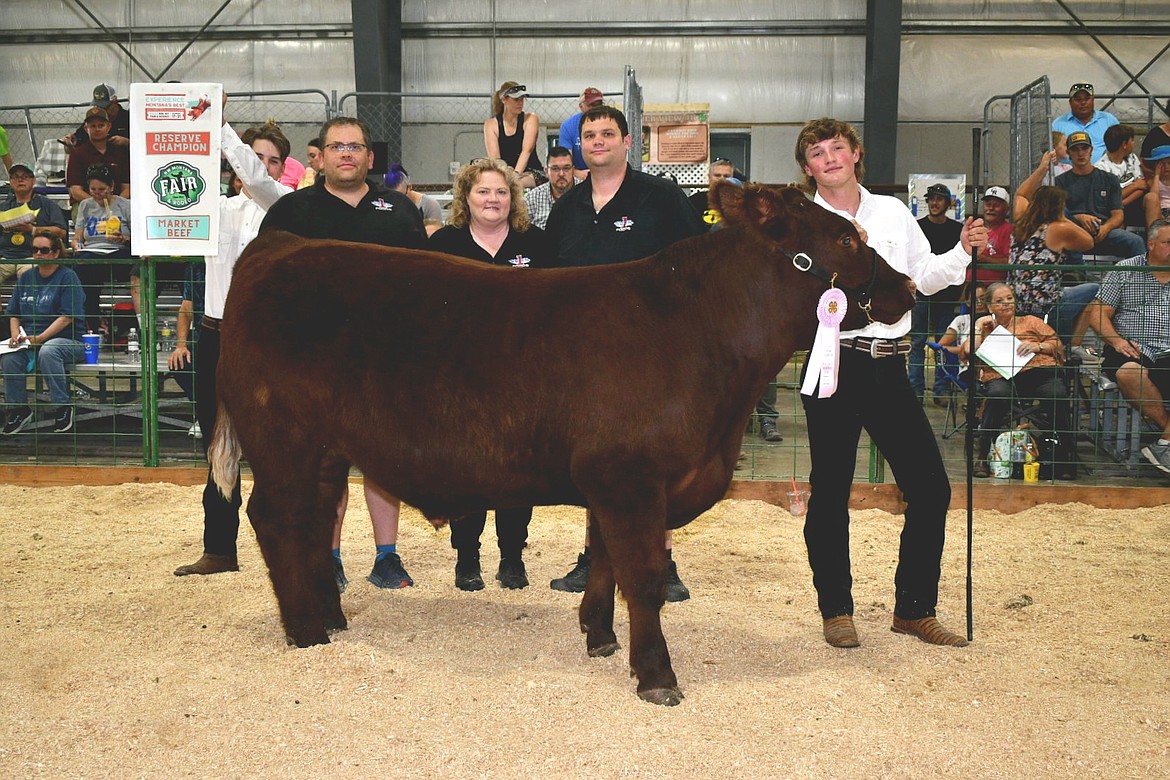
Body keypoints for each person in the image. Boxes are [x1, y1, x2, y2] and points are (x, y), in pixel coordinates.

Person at [793, 116, 987, 649]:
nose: (829, 159)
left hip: (890, 364)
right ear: (807, 167)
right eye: (817, 153)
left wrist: (964, 251)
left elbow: (923, 276)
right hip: (833, 363)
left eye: (837, 148)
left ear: (856, 154)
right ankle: (836, 610)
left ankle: (914, 608)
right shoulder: (804, 224)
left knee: (930, 488)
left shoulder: (895, 212)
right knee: (830, 489)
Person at [544, 104, 708, 602]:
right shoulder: (568, 208)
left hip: (649, 354)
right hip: (583, 359)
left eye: (607, 134)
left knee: (649, 459)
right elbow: (549, 280)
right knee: (598, 459)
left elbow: (695, 265)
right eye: (589, 135)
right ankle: (597, 556)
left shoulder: (660, 198)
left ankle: (661, 558)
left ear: (627, 141)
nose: (597, 142)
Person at [259, 115, 427, 591]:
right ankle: (328, 556)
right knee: (324, 462)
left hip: (386, 357)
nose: (347, 154)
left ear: (370, 158)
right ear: (321, 156)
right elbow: (268, 281)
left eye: (356, 146)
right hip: (315, 359)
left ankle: (387, 557)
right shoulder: (292, 212)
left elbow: (423, 280)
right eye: (337, 146)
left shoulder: (398, 210)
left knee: (382, 460)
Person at [173, 107, 295, 578]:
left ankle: (284, 544)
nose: (259, 164)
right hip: (214, 332)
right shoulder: (213, 209)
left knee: (274, 442)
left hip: (267, 341)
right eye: (253, 156)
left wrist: (218, 125)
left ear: (282, 168)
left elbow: (255, 180)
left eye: (269, 158)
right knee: (215, 439)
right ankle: (219, 549)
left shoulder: (284, 207)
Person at [429, 158, 551, 590]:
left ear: (513, 198)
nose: (492, 200)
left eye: (501, 192)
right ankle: (467, 557)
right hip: (462, 379)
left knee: (519, 468)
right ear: (466, 197)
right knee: (466, 468)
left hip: (524, 378)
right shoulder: (445, 244)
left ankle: (513, 556)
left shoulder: (536, 244)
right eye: (483, 191)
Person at [1087, 218, 1170, 474]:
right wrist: (1116, 341)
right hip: (1130, 347)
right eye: (1169, 242)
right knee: (1129, 372)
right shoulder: (1125, 269)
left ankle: (1165, 443)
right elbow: (1098, 314)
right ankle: (1166, 437)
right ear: (1151, 243)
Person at [969, 283, 1074, 479]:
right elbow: (969, 352)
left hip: (1039, 373)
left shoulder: (1031, 321)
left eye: (1009, 298)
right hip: (1002, 376)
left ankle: (1064, 457)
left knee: (1056, 393)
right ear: (989, 306)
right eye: (999, 301)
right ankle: (983, 455)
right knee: (997, 394)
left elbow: (1057, 343)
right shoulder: (985, 327)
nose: (1007, 304)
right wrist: (977, 326)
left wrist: (1037, 346)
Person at [1007, 151, 1096, 353]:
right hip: (1045, 303)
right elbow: (1088, 242)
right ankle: (1074, 346)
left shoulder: (1020, 220)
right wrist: (1063, 218)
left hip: (1017, 299)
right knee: (1097, 291)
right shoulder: (1057, 228)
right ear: (1058, 207)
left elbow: (1021, 194)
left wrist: (1042, 168)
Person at [1, 231, 85, 436]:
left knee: (49, 350)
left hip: (68, 339)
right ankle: (18, 409)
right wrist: (15, 336)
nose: (38, 254)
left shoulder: (68, 276)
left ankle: (62, 406)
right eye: (34, 250)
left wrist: (40, 338)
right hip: (29, 339)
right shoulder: (27, 276)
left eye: (44, 250)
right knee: (9, 355)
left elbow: (68, 316)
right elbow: (13, 313)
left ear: (56, 253)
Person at [910, 182, 964, 403]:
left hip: (948, 295)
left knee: (944, 344)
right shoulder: (916, 227)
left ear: (948, 203)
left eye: (939, 199)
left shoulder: (957, 230)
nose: (934, 202)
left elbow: (963, 262)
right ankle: (915, 390)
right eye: (931, 198)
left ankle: (941, 389)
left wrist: (962, 291)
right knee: (916, 343)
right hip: (920, 295)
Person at [1055, 131, 1146, 260]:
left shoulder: (1109, 179)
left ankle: (1139, 279)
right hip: (1073, 232)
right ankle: (1076, 278)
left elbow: (1118, 215)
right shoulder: (1059, 182)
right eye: (1075, 149)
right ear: (1069, 153)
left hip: (1103, 231)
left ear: (1091, 150)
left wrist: (1106, 228)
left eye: (1084, 148)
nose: (1080, 153)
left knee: (1135, 241)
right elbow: (1057, 216)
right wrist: (1080, 217)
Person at [71, 163, 132, 333]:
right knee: (82, 269)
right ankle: (92, 322)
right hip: (92, 252)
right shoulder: (85, 205)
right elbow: (78, 236)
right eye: (93, 190)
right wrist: (76, 244)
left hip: (118, 251)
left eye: (102, 189)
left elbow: (137, 238)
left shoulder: (125, 205)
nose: (97, 194)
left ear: (111, 187)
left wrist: (123, 239)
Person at [1, 162, 68, 285]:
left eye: (25, 176)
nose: (20, 180)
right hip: (5, 257)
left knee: (28, 276)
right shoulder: (4, 207)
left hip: (34, 257)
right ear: (10, 182)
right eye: (15, 177)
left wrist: (32, 230)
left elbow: (61, 232)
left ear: (33, 181)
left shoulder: (47, 205)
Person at [65, 107, 131, 204]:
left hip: (117, 205)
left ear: (109, 126)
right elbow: (75, 191)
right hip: (85, 204)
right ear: (86, 129)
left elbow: (127, 188)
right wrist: (98, 204)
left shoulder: (120, 153)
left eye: (101, 125)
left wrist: (115, 204)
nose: (97, 129)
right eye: (93, 126)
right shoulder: (77, 154)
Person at [484, 81, 542, 188]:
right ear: (503, 99)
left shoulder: (530, 118)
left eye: (522, 99)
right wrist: (505, 177)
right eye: (516, 99)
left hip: (531, 172)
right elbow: (495, 159)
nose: (520, 103)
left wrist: (515, 175)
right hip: (504, 173)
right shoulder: (491, 124)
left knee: (517, 184)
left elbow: (527, 150)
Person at [1052, 82, 1118, 166]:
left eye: (1087, 98)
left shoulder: (1109, 120)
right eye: (1078, 99)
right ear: (1070, 102)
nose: (1083, 102)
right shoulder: (1058, 124)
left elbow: (1120, 149)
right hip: (1069, 175)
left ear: (1093, 100)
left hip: (1107, 173)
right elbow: (1050, 153)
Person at [1095, 124, 1147, 229]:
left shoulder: (1132, 158)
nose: (1134, 143)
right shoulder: (1101, 168)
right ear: (1124, 144)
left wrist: (1121, 203)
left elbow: (1143, 185)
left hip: (1134, 203)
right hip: (1111, 210)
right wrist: (1133, 186)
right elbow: (1108, 199)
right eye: (1132, 140)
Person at [59, 83, 130, 153]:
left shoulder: (129, 118)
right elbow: (77, 141)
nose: (102, 111)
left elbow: (141, 144)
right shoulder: (95, 119)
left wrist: (127, 142)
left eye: (105, 107)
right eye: (98, 106)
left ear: (114, 102)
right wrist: (70, 142)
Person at [523, 145, 575, 230]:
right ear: (546, 172)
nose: (561, 174)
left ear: (573, 170)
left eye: (566, 168)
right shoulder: (532, 198)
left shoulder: (586, 192)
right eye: (555, 169)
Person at [558, 86, 605, 180]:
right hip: (580, 174)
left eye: (599, 104)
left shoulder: (610, 123)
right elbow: (564, 158)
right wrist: (576, 173)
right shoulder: (568, 126)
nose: (596, 109)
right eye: (591, 105)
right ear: (581, 106)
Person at [969, 185, 1012, 284]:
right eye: (988, 204)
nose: (991, 208)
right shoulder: (975, 227)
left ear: (1006, 209)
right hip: (970, 285)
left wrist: (985, 259)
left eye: (996, 205)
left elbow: (1009, 262)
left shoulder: (1008, 230)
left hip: (994, 288)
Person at [688, 158, 736, 222]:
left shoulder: (739, 202)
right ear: (709, 177)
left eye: (726, 176)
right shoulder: (694, 201)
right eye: (717, 175)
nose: (722, 179)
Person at [1142, 145, 1170, 230]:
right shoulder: (1153, 180)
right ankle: (1154, 237)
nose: (1166, 167)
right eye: (1161, 164)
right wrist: (1157, 175)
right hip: (1159, 211)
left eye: (1169, 163)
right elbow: (1154, 195)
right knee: (1151, 197)